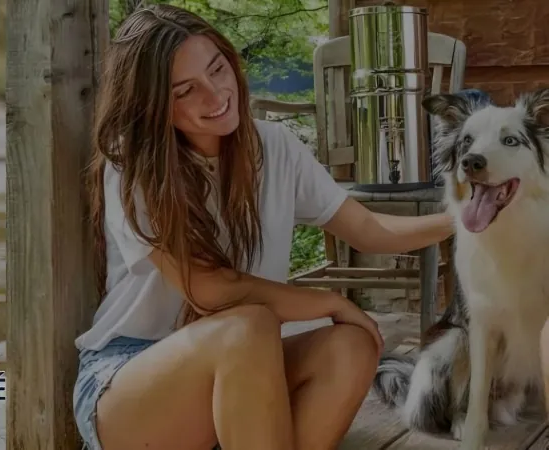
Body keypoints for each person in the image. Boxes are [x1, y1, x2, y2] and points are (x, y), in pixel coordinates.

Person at [74, 4, 454, 450]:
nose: (215, 96)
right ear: (152, 105)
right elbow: (209, 289)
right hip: (132, 381)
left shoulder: (273, 146)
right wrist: (329, 301)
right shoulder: (133, 164)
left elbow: (369, 230)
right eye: (185, 91)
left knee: (352, 346)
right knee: (248, 325)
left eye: (217, 70)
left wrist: (466, 220)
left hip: (246, 370)